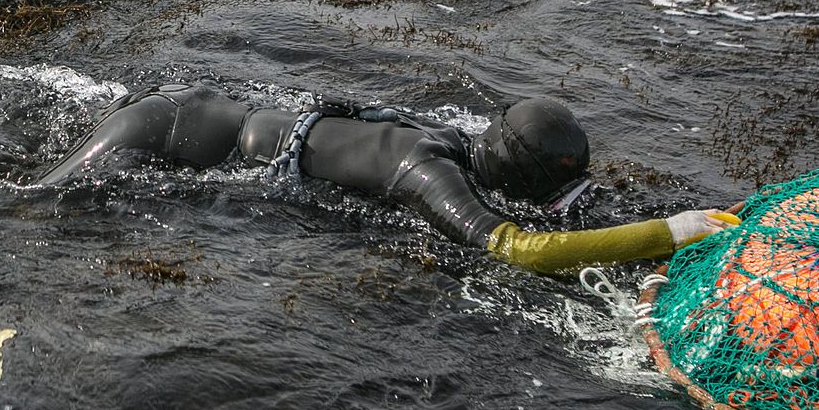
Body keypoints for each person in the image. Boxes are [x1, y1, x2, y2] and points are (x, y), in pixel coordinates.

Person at [38, 85, 737, 274]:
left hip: (185, 106)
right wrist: (668, 232)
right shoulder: (432, 172)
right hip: (158, 133)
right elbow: (517, 249)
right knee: (30, 209)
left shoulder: (454, 137)